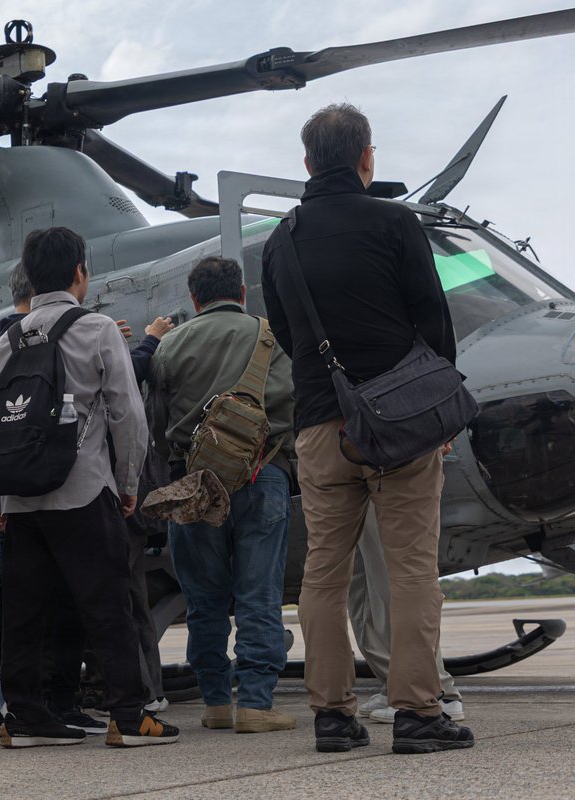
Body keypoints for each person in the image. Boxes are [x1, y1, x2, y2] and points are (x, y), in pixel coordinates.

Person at [261, 102, 474, 754]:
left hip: (322, 428)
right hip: (401, 424)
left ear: (305, 164)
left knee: (323, 573)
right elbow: (433, 321)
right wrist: (433, 409)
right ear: (366, 158)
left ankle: (332, 716)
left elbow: (289, 337)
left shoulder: (280, 241)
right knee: (410, 571)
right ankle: (417, 713)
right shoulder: (394, 222)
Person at [0, 226, 178, 748]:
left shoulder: (5, 341)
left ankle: (23, 715)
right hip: (82, 490)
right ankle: (130, 715)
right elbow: (128, 415)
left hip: (22, 496)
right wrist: (128, 482)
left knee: (24, 612)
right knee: (108, 603)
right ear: (79, 273)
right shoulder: (94, 329)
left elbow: (3, 422)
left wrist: (3, 499)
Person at [148, 255, 296, 733]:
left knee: (203, 598)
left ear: (195, 298)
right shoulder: (272, 337)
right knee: (260, 593)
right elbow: (297, 402)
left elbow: (154, 418)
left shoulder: (170, 344)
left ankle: (215, 701)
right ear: (243, 292)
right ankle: (255, 702)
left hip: (192, 483)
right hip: (262, 474)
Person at [349, 510, 465, 723]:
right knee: (362, 581)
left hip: (382, 483)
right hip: (355, 486)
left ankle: (435, 692)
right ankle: (393, 685)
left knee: (390, 581)